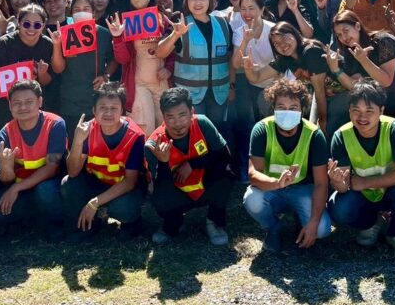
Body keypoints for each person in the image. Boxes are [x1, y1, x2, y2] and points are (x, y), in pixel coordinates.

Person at [330, 10, 395, 177]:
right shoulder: (351, 53)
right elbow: (355, 86)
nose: (343, 37)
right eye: (339, 35)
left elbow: (386, 80)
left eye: (345, 31)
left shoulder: (382, 41)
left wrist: (364, 60)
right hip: (394, 101)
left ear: (358, 26)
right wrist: (336, 70)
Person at [326, 81, 395, 257]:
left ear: (381, 111)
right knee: (339, 208)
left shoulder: (394, 129)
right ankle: (371, 224)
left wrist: (365, 182)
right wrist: (337, 182)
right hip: (363, 196)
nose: (362, 117)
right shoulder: (341, 136)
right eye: (356, 110)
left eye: (369, 111)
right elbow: (344, 186)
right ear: (349, 111)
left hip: (392, 191)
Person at [243, 79, 331, 252]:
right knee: (252, 199)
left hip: (303, 189)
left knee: (322, 230)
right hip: (271, 188)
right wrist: (277, 183)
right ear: (273, 108)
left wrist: (314, 223)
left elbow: (321, 183)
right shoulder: (262, 129)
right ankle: (272, 227)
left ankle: (302, 221)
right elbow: (253, 174)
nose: (287, 112)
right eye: (281, 107)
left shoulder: (314, 135)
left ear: (302, 110)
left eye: (293, 107)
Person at [146, 87, 234, 245]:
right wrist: (163, 162)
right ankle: (172, 224)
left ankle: (214, 221)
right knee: (161, 199)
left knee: (226, 174)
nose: (177, 123)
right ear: (163, 116)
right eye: (170, 117)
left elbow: (224, 155)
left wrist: (192, 164)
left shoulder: (202, 123)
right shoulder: (153, 145)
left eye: (182, 115)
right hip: (177, 192)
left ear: (192, 112)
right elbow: (158, 188)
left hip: (204, 184)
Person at [61, 83, 145, 241]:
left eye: (114, 108)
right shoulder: (87, 130)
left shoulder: (135, 136)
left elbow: (130, 182)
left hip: (123, 188)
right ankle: (88, 225)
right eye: (103, 107)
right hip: (97, 182)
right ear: (94, 110)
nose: (108, 113)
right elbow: (72, 172)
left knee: (124, 207)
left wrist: (94, 203)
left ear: (122, 110)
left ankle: (132, 223)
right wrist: (77, 141)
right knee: (68, 184)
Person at [0, 79, 67, 234]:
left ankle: (57, 225)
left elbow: (52, 168)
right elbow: (6, 180)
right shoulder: (4, 134)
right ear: (10, 105)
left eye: (29, 102)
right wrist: (5, 169)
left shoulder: (55, 124)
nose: (23, 107)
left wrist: (16, 188)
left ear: (40, 102)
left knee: (44, 192)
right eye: (17, 103)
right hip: (21, 188)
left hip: (49, 185)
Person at [155, 0, 233, 130]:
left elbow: (229, 57)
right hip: (190, 95)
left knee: (217, 132)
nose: (198, 3)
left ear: (210, 0)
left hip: (219, 93)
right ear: (186, 0)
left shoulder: (223, 24)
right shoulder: (180, 23)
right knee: (195, 132)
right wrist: (175, 35)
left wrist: (232, 86)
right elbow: (160, 52)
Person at [109, 0, 174, 135]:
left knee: (166, 127)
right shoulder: (123, 23)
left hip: (162, 82)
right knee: (145, 128)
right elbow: (123, 59)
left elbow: (173, 50)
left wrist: (169, 68)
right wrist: (117, 37)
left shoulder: (162, 18)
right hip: (138, 84)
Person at [242, 22, 330, 129]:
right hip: (322, 97)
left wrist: (322, 122)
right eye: (276, 44)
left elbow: (320, 91)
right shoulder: (284, 59)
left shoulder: (311, 51)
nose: (282, 45)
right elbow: (256, 78)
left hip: (339, 92)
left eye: (284, 38)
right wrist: (248, 68)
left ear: (294, 34)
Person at [0, 4, 65, 126]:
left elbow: (47, 81)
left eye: (37, 25)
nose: (31, 29)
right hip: (10, 108)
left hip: (40, 107)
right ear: (19, 23)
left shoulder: (47, 44)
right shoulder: (5, 44)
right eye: (26, 24)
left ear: (43, 25)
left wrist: (42, 73)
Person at [60, 0, 117, 129]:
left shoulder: (104, 33)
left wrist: (105, 76)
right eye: (77, 10)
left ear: (93, 13)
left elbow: (114, 60)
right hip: (70, 101)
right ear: (71, 13)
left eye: (86, 9)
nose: (81, 12)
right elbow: (57, 67)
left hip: (96, 99)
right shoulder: (63, 34)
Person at [231, 0, 279, 121]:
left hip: (276, 84)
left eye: (251, 8)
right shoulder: (239, 32)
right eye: (243, 9)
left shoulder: (274, 30)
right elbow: (235, 64)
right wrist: (245, 41)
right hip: (253, 84)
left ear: (262, 10)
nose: (247, 13)